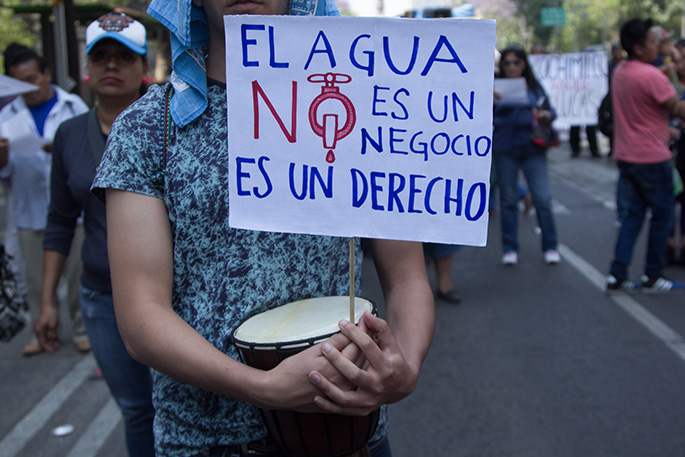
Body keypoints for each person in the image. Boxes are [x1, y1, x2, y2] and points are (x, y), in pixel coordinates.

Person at [92, 1, 435, 457]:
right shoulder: (146, 130)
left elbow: (408, 273)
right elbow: (140, 316)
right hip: (205, 443)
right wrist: (261, 387)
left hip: (350, 437)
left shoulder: (363, 108)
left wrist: (405, 365)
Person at [33, 13, 156, 456]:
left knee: (182, 404)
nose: (111, 66)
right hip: (102, 299)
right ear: (87, 66)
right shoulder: (69, 135)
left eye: (124, 57)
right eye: (101, 56)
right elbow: (60, 221)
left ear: (143, 65)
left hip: (171, 297)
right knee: (137, 409)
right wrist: (48, 303)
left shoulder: (171, 123)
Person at [0, 44, 89, 355]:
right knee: (35, 277)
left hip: (71, 208)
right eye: (20, 82)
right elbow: (5, 170)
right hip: (29, 207)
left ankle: (82, 328)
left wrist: (60, 149)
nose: (30, 88)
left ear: (47, 74)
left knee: (78, 271)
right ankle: (43, 328)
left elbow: (89, 147)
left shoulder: (72, 105)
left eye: (33, 78)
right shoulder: (7, 116)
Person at [606, 18, 685, 294]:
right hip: (651, 156)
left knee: (633, 216)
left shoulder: (622, 71)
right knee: (662, 214)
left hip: (627, 154)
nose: (659, 46)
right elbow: (677, 108)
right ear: (639, 48)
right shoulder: (650, 75)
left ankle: (618, 274)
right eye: (654, 42)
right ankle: (653, 274)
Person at [493, 44, 561, 266]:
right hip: (505, 148)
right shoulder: (494, 86)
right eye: (507, 63)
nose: (512, 67)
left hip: (533, 147)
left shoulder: (534, 87)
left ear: (524, 64)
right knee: (509, 200)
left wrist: (544, 115)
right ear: (502, 65)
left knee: (542, 198)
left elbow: (551, 112)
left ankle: (550, 246)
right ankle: (510, 248)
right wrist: (491, 102)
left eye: (516, 62)